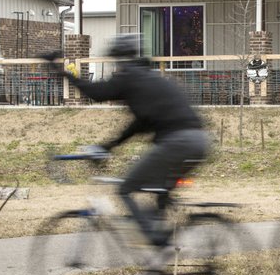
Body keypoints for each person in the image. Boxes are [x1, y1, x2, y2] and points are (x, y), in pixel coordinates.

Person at [41, 34, 210, 251]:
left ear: (119, 60)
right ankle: (158, 262)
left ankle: (157, 241)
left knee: (125, 188)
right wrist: (107, 147)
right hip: (199, 141)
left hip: (176, 142)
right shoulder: (151, 79)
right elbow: (137, 126)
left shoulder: (130, 76)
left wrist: (60, 70)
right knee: (159, 189)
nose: (115, 68)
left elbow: (95, 93)